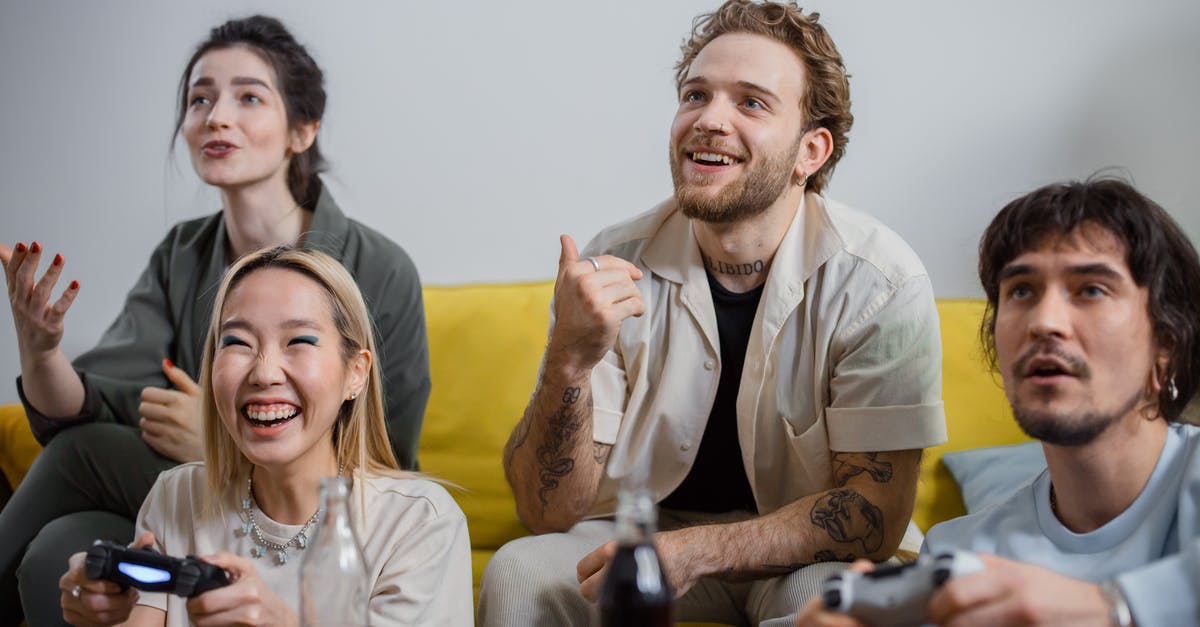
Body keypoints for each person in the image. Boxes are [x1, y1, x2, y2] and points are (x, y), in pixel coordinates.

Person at [479, 1, 947, 624]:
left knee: (835, 599)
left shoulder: (879, 284)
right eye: (695, 95)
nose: (709, 120)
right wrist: (568, 357)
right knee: (518, 571)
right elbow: (548, 514)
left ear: (811, 150)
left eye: (750, 103)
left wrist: (696, 551)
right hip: (639, 533)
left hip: (803, 558)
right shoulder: (610, 264)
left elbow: (874, 514)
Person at [0, 16, 430, 625]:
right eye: (199, 99)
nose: (215, 116)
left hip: (313, 505)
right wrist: (41, 351)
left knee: (82, 454)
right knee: (57, 551)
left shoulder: (381, 269)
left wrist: (227, 440)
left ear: (302, 130)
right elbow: (91, 402)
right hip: (185, 503)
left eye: (248, 97)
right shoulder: (182, 254)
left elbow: (391, 461)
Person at [795, 178, 1200, 626]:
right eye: (1022, 291)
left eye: (1091, 290)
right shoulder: (963, 551)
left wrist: (1114, 609)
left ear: (1167, 342)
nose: (1044, 322)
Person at [56, 247, 472, 626]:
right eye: (236, 342)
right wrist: (102, 613)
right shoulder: (177, 496)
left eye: (299, 341)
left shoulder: (419, 525)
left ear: (356, 372)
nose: (264, 373)